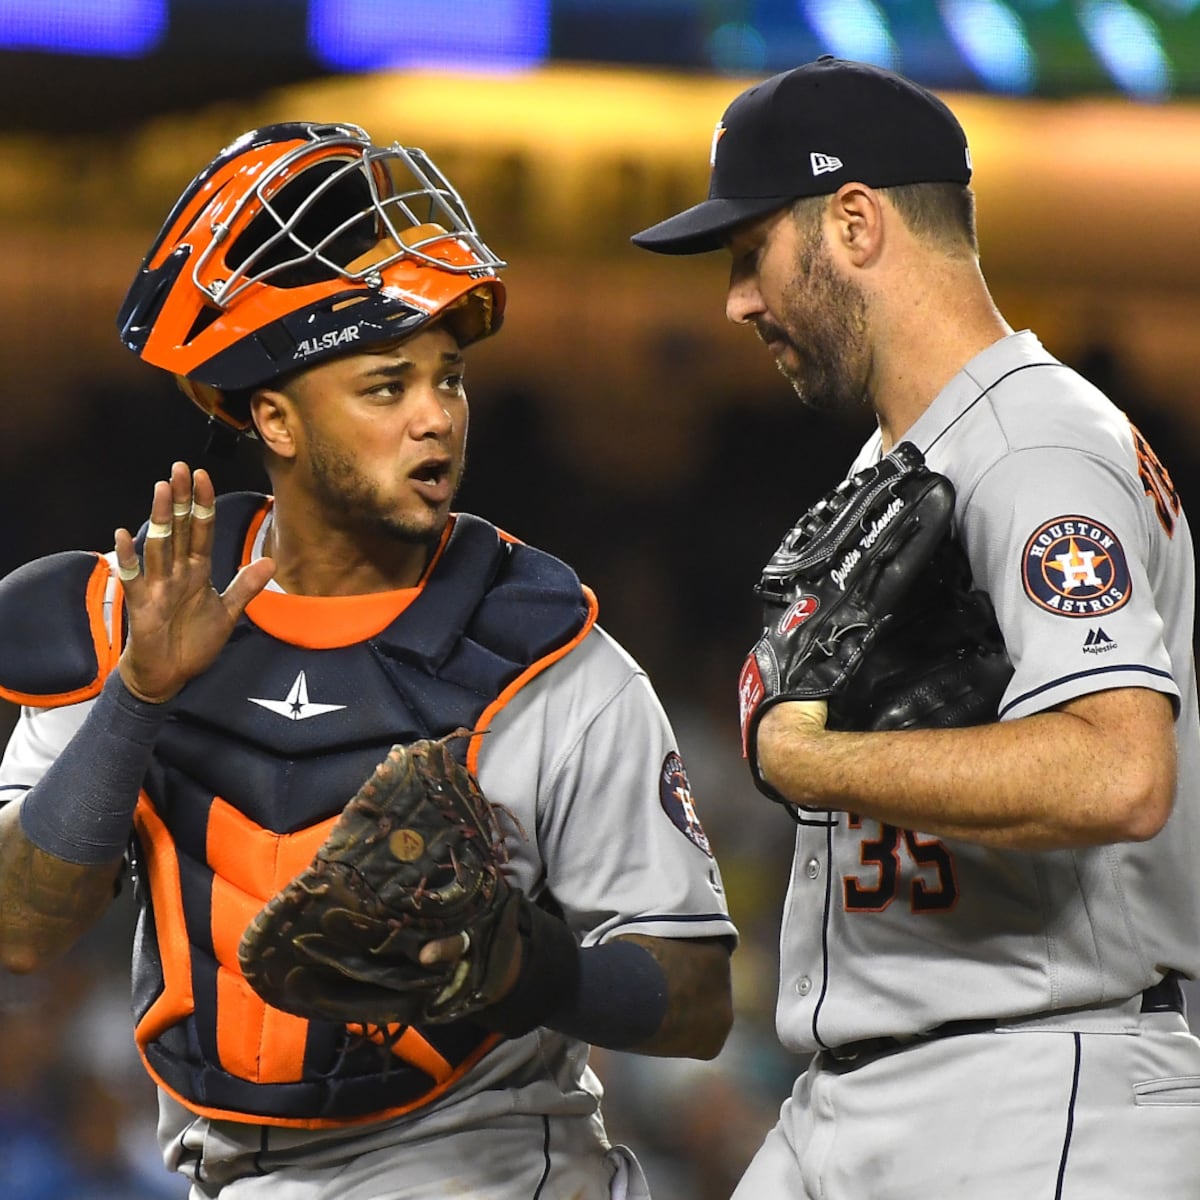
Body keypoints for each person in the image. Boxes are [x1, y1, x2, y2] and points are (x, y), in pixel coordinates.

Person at [0, 120, 736, 1199]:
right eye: (387, 387)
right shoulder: (133, 620)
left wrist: (525, 965)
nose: (436, 418)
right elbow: (20, 931)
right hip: (228, 1175)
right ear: (276, 420)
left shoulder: (552, 662)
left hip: (490, 1176)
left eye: (450, 379)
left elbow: (698, 1000)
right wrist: (139, 699)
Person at [632, 56, 1200, 1198]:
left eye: (752, 255)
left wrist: (813, 758)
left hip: (1034, 1088)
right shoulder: (909, 454)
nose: (738, 299)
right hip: (872, 1087)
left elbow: (1123, 770)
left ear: (852, 222)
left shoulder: (1034, 450)